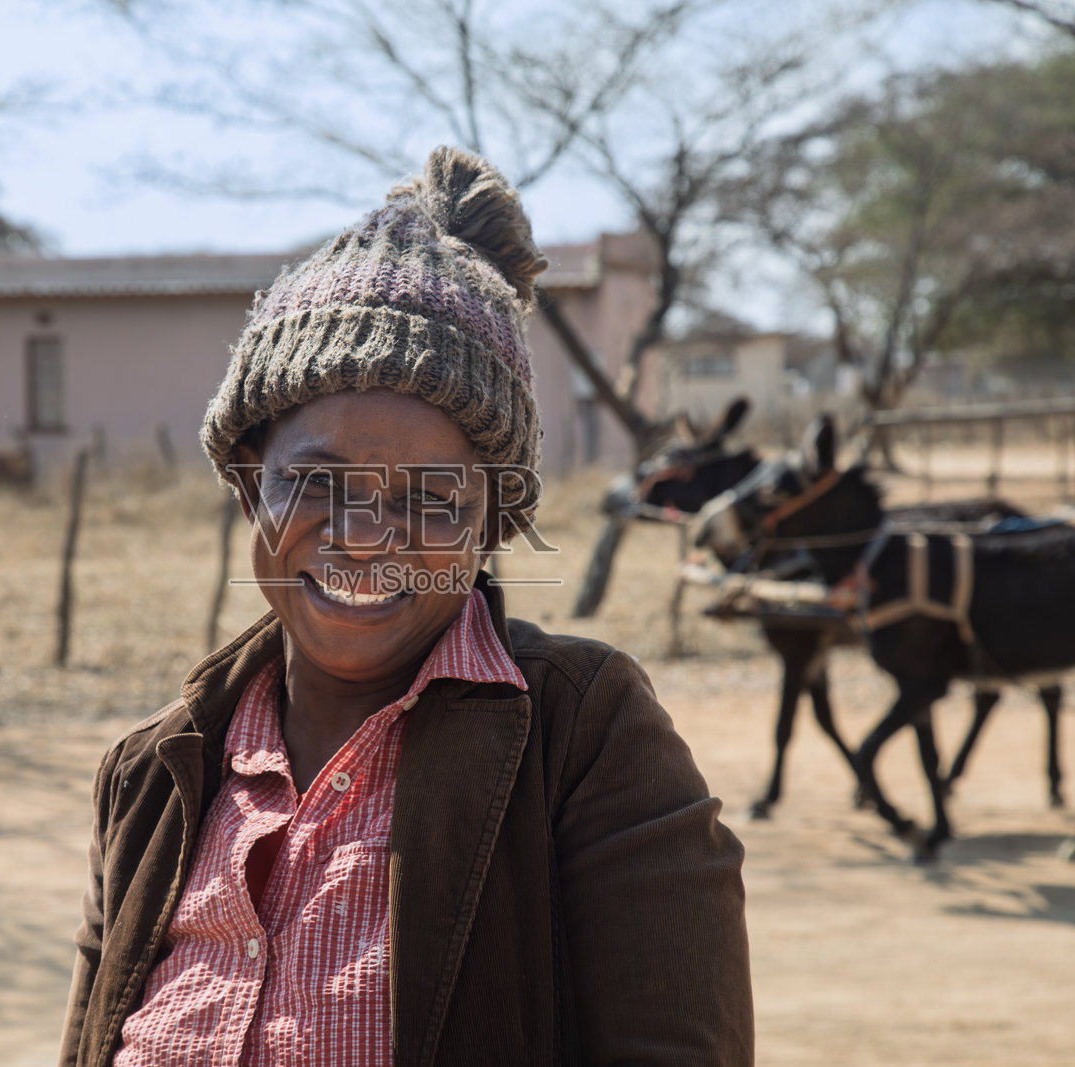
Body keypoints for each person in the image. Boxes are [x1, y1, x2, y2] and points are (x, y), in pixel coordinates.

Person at [58, 146, 753, 1067]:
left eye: (429, 496)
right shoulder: (152, 775)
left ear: (490, 519)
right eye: (314, 481)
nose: (363, 536)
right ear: (249, 486)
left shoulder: (584, 737)